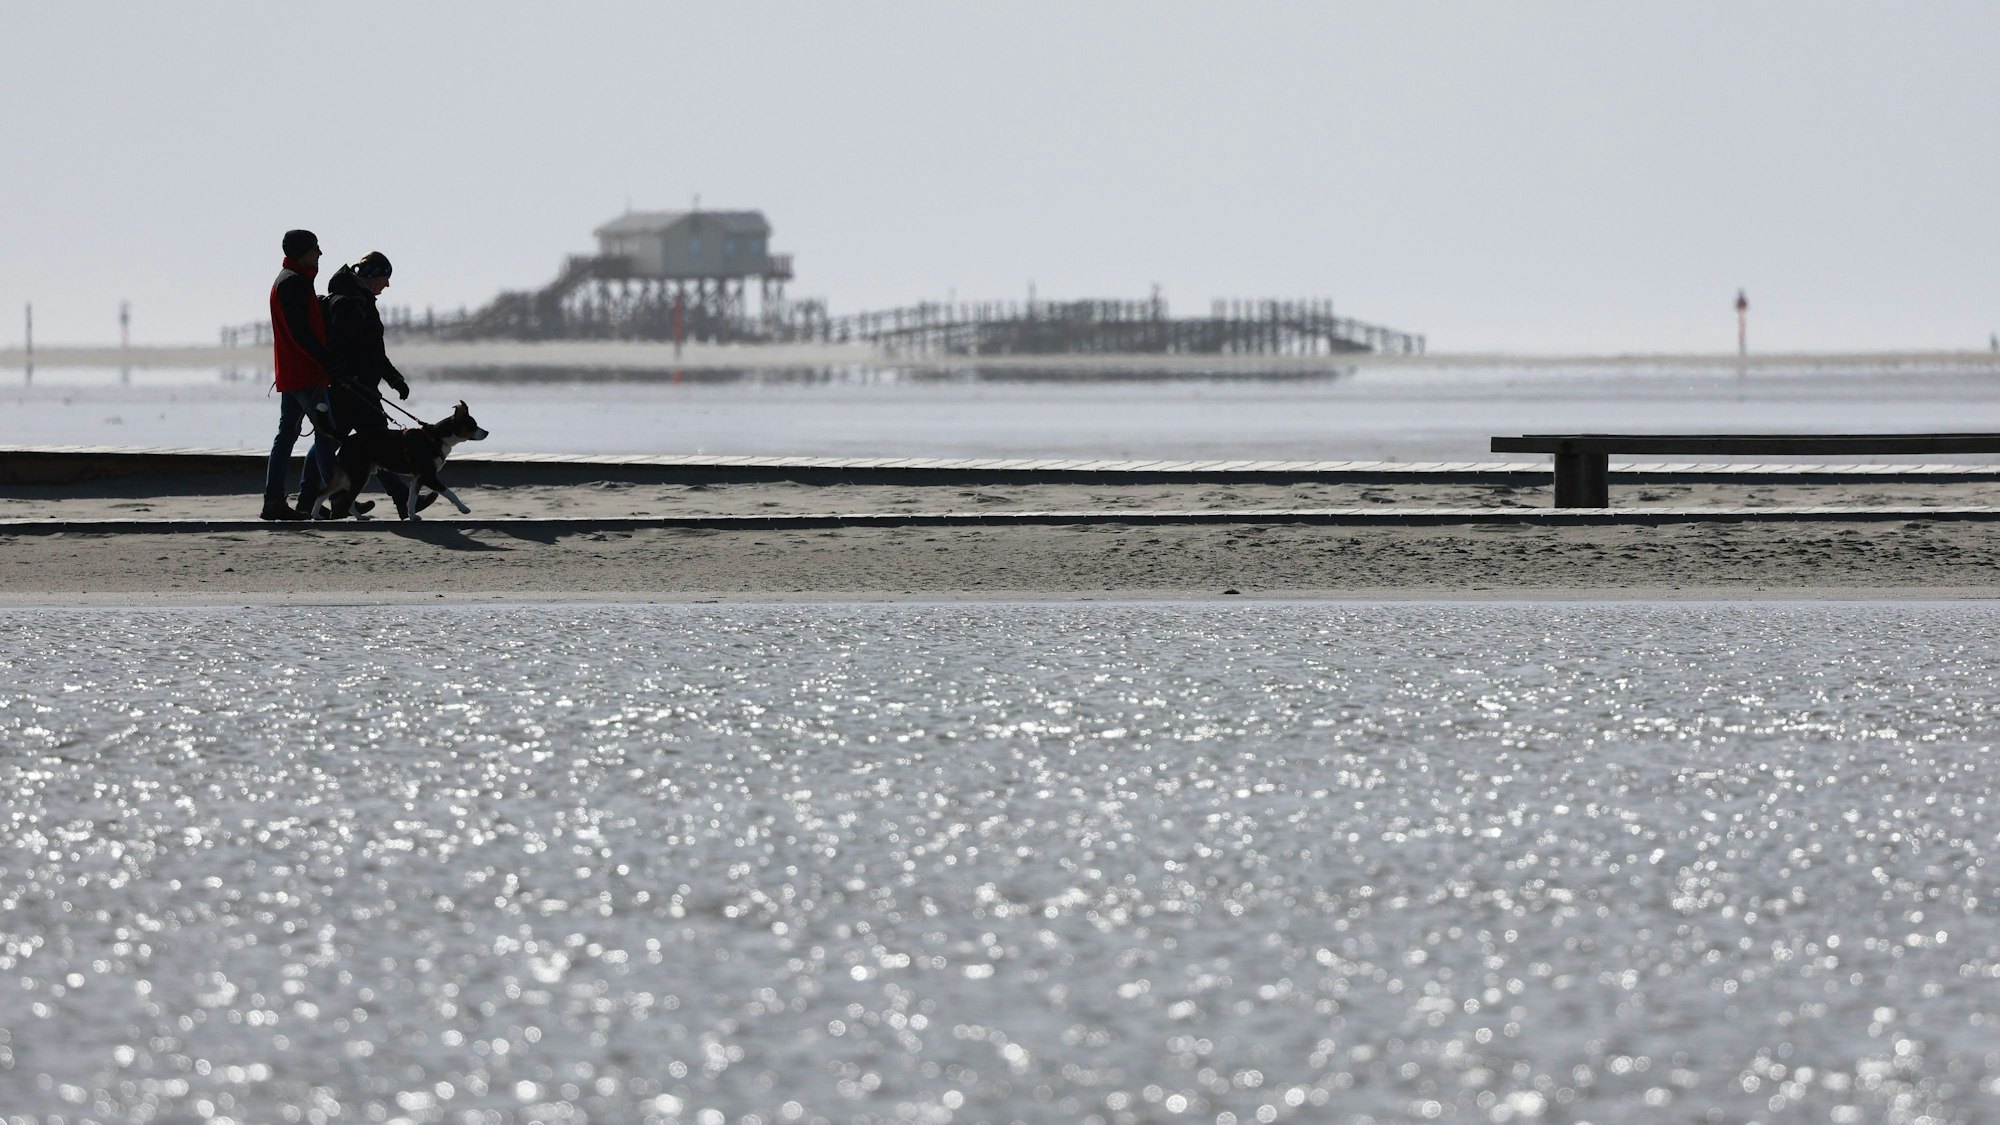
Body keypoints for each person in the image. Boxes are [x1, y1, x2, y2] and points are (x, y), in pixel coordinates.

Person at [323, 250, 427, 515]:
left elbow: (373, 352)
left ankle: (333, 500)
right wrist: (347, 378)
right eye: (385, 278)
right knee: (372, 444)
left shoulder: (362, 300)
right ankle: (398, 499)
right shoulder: (349, 302)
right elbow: (339, 347)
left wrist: (394, 379)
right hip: (352, 390)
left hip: (361, 389)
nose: (388, 284)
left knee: (342, 443)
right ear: (371, 277)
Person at [262, 229, 342, 520]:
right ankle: (339, 499)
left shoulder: (289, 280)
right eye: (315, 249)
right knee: (327, 434)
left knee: (287, 436)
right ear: (302, 252)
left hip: (292, 372)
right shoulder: (293, 282)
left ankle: (275, 500)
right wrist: (327, 361)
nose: (320, 253)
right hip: (305, 373)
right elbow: (301, 333)